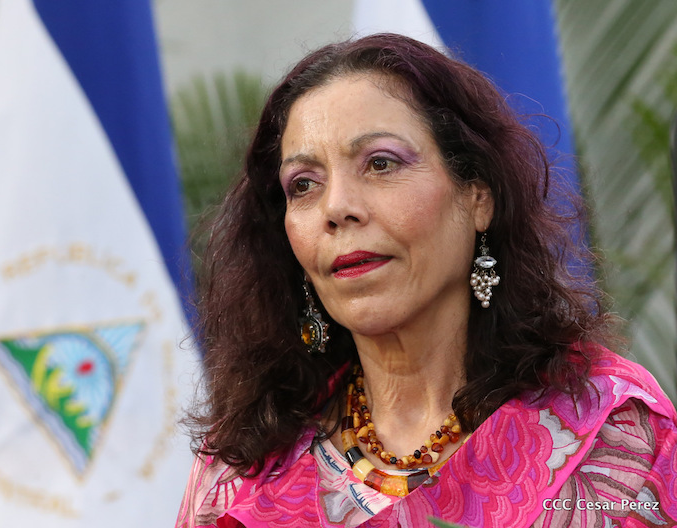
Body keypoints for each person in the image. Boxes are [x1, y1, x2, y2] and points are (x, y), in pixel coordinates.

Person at [176, 33, 677, 528]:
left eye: (380, 163)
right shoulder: (242, 469)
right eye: (303, 185)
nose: (337, 207)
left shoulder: (612, 430)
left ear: (477, 196)